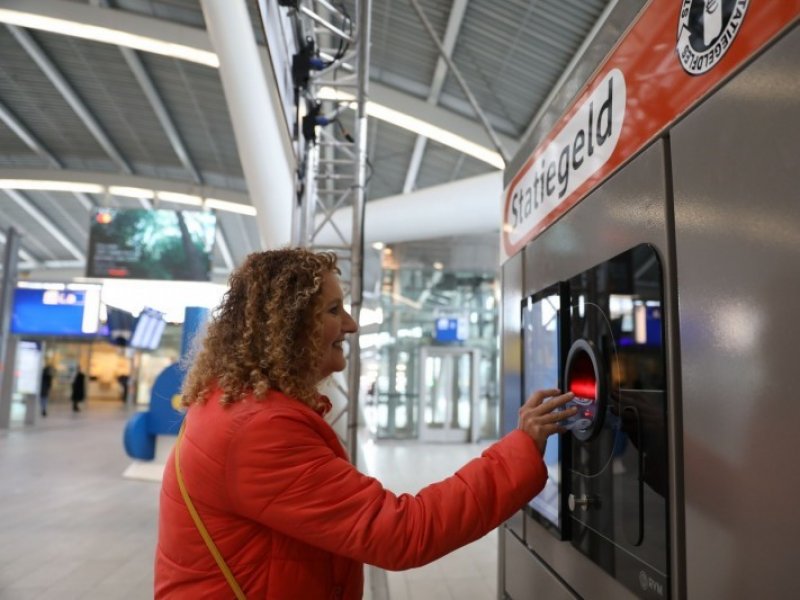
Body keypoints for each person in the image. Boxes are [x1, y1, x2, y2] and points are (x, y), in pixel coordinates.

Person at [154, 248, 576, 599]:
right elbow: (402, 533)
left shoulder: (228, 405)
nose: (352, 325)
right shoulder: (259, 431)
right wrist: (522, 447)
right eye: (334, 310)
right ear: (288, 329)